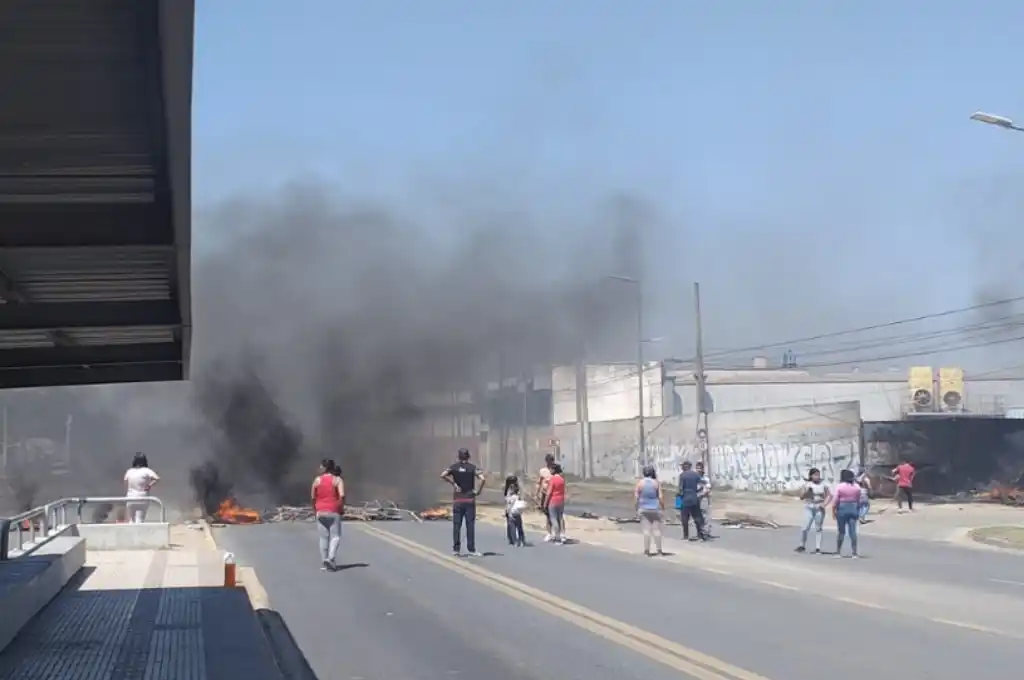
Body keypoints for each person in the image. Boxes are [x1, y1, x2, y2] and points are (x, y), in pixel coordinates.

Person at [441, 448, 486, 556]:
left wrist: (454, 484)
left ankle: (456, 549)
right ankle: (471, 549)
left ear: (459, 456)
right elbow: (483, 479)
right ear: (468, 456)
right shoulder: (472, 468)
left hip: (458, 500)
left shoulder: (454, 467)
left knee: (457, 525)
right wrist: (478, 491)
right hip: (469, 499)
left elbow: (442, 475)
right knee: (470, 525)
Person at [311, 459, 345, 571]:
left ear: (325, 468)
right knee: (335, 536)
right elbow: (342, 495)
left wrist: (315, 510)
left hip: (320, 511)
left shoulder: (317, 480)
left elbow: (313, 497)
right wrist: (341, 508)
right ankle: (330, 559)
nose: (319, 468)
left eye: (321, 466)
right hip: (333, 510)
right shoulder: (337, 480)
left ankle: (324, 561)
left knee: (323, 537)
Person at [795, 467, 831, 554]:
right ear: (811, 476)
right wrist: (807, 492)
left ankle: (818, 548)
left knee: (818, 528)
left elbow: (829, 495)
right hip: (809, 507)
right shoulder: (807, 485)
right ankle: (802, 545)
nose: (817, 477)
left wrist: (824, 504)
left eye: (818, 475)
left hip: (819, 507)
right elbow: (801, 497)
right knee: (805, 527)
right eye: (815, 475)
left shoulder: (823, 485)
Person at [634, 465, 664, 556]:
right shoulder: (656, 483)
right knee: (656, 530)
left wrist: (636, 507)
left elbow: (636, 497)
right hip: (655, 508)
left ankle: (647, 550)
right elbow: (660, 497)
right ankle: (659, 550)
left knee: (646, 530)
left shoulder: (640, 483)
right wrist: (662, 507)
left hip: (643, 508)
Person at [833, 468, 862, 558]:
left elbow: (835, 500)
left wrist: (834, 511)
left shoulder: (840, 486)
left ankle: (838, 552)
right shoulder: (857, 487)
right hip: (853, 507)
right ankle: (854, 552)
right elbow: (859, 500)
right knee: (852, 532)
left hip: (842, 508)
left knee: (841, 531)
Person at [124, 453, 159, 524]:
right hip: (142, 496)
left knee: (131, 521)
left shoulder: (129, 471)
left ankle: (131, 534)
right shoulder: (146, 470)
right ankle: (138, 534)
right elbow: (157, 478)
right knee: (139, 520)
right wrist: (149, 485)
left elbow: (125, 482)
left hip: (130, 497)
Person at [676, 461, 708, 541]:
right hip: (694, 497)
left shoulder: (682, 475)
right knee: (697, 517)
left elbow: (680, 489)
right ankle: (700, 535)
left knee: (684, 518)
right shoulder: (695, 474)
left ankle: (686, 536)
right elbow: (703, 483)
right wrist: (699, 491)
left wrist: (677, 502)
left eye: (682, 466)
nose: (681, 467)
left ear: (685, 466)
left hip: (685, 498)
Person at [535, 453, 556, 542]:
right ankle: (549, 533)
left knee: (555, 514)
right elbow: (539, 482)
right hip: (544, 493)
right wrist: (536, 493)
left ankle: (557, 532)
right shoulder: (543, 471)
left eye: (551, 461)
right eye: (548, 461)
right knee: (547, 514)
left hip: (554, 494)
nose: (550, 463)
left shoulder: (556, 470)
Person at [546, 464, 568, 544]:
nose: (550, 471)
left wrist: (545, 502)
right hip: (561, 500)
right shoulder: (562, 479)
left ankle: (557, 536)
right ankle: (563, 535)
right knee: (560, 517)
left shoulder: (553, 479)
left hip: (553, 500)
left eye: (551, 469)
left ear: (554, 470)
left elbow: (549, 492)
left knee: (553, 519)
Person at [504, 475, 527, 547]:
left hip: (511, 510)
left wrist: (508, 511)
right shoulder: (518, 489)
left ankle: (514, 540)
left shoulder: (510, 490)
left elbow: (510, 502)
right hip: (517, 510)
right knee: (519, 526)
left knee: (512, 526)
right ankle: (522, 540)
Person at [696, 461, 714, 537]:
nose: (699, 470)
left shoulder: (705, 478)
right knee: (698, 516)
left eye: (700, 468)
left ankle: (706, 532)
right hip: (696, 498)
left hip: (704, 498)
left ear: (703, 469)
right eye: (697, 468)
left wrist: (701, 494)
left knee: (705, 516)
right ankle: (700, 532)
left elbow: (708, 488)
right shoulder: (695, 477)